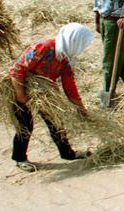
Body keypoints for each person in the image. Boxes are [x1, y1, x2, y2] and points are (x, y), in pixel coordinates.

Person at [9, 23, 93, 172]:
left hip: (44, 94)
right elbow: (17, 69)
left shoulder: (65, 59)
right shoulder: (43, 47)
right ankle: (19, 158)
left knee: (56, 122)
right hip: (21, 88)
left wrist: (81, 109)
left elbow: (70, 88)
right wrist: (20, 95)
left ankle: (67, 153)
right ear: (74, 40)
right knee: (25, 125)